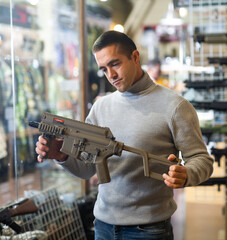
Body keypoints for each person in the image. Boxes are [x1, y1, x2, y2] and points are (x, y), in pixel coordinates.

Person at [35, 30, 214, 240]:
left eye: (115, 64)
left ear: (135, 57)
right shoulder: (101, 107)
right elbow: (87, 169)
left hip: (149, 230)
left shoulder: (175, 106)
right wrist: (61, 156)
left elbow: (202, 160)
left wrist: (186, 174)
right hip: (103, 226)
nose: (110, 75)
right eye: (103, 69)